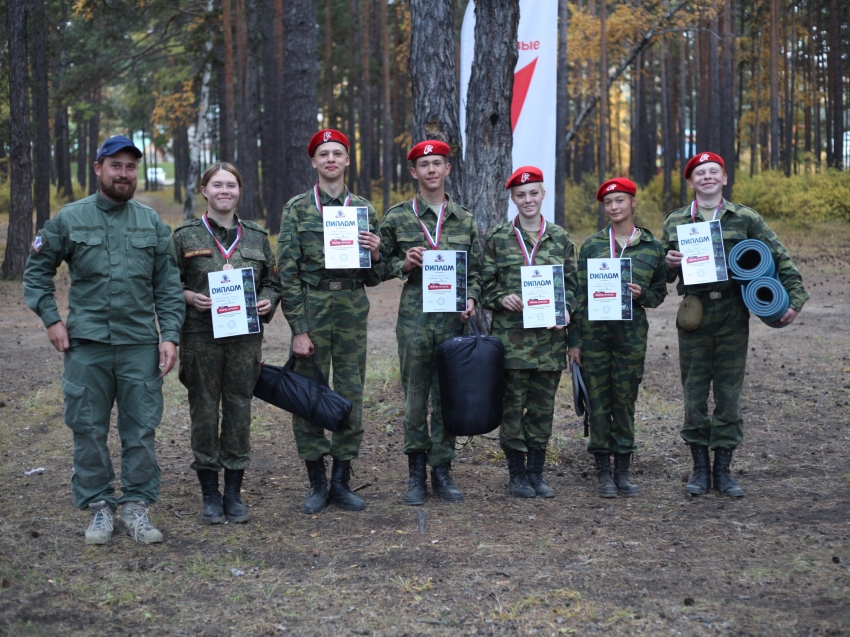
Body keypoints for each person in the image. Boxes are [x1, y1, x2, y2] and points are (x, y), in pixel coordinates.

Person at [23, 135, 185, 544]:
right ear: (99, 168)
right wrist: (52, 320)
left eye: (131, 167)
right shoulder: (70, 219)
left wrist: (170, 337)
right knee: (88, 429)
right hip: (87, 347)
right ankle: (98, 507)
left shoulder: (150, 223)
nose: (124, 174)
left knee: (141, 430)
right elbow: (37, 272)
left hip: (138, 347)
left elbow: (167, 287)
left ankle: (135, 506)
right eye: (116, 165)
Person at [662, 152, 809, 497]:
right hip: (695, 314)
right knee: (695, 393)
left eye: (714, 171)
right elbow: (663, 273)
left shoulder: (744, 218)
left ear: (724, 178)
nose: (708, 177)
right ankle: (699, 470)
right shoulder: (676, 221)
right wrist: (668, 264)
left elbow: (778, 254)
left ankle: (724, 470)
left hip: (731, 312)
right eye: (700, 173)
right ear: (691, 182)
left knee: (728, 392)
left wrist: (796, 298)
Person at [277, 129, 383, 514]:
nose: (331, 159)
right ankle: (317, 481)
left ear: (347, 160)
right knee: (307, 392)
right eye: (324, 154)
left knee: (351, 390)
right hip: (314, 303)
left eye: (338, 153)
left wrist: (375, 253)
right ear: (314, 162)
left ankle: (341, 479)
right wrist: (298, 328)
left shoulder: (365, 209)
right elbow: (286, 271)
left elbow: (376, 275)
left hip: (352, 305)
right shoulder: (297, 207)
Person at [173, 162, 281, 524]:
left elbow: (272, 281)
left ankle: (233, 493)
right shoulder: (185, 235)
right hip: (201, 337)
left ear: (239, 191)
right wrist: (189, 297)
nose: (224, 191)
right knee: (204, 412)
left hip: (244, 339)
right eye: (216, 185)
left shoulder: (255, 236)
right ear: (204, 190)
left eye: (231, 185)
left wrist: (267, 301)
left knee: (238, 412)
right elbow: (166, 284)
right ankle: (209, 495)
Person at [378, 140, 481, 506]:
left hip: (453, 321)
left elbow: (479, 271)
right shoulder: (397, 217)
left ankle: (443, 469)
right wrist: (402, 264)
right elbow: (375, 266)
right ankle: (416, 474)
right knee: (415, 397)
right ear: (414, 172)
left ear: (448, 169)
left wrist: (471, 297)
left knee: (447, 396)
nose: (432, 170)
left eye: (438, 163)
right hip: (415, 321)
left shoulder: (465, 218)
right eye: (424, 165)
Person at [481, 167, 578, 498]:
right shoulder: (498, 238)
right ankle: (517, 475)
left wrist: (568, 308)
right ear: (512, 199)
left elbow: (574, 286)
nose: (528, 200)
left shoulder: (561, 239)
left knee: (542, 408)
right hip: (512, 343)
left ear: (543, 194)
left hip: (550, 342)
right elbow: (484, 285)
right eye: (520, 195)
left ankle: (537, 472)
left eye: (533, 193)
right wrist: (500, 298)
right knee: (512, 408)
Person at [569, 178, 667, 498]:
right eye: (608, 203)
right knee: (598, 403)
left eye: (620, 201)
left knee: (624, 402)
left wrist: (643, 294)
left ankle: (622, 471)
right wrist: (576, 341)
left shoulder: (652, 247)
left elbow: (660, 294)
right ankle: (602, 473)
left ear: (633, 203)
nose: (613, 207)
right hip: (595, 337)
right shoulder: (593, 246)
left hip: (630, 338)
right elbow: (579, 297)